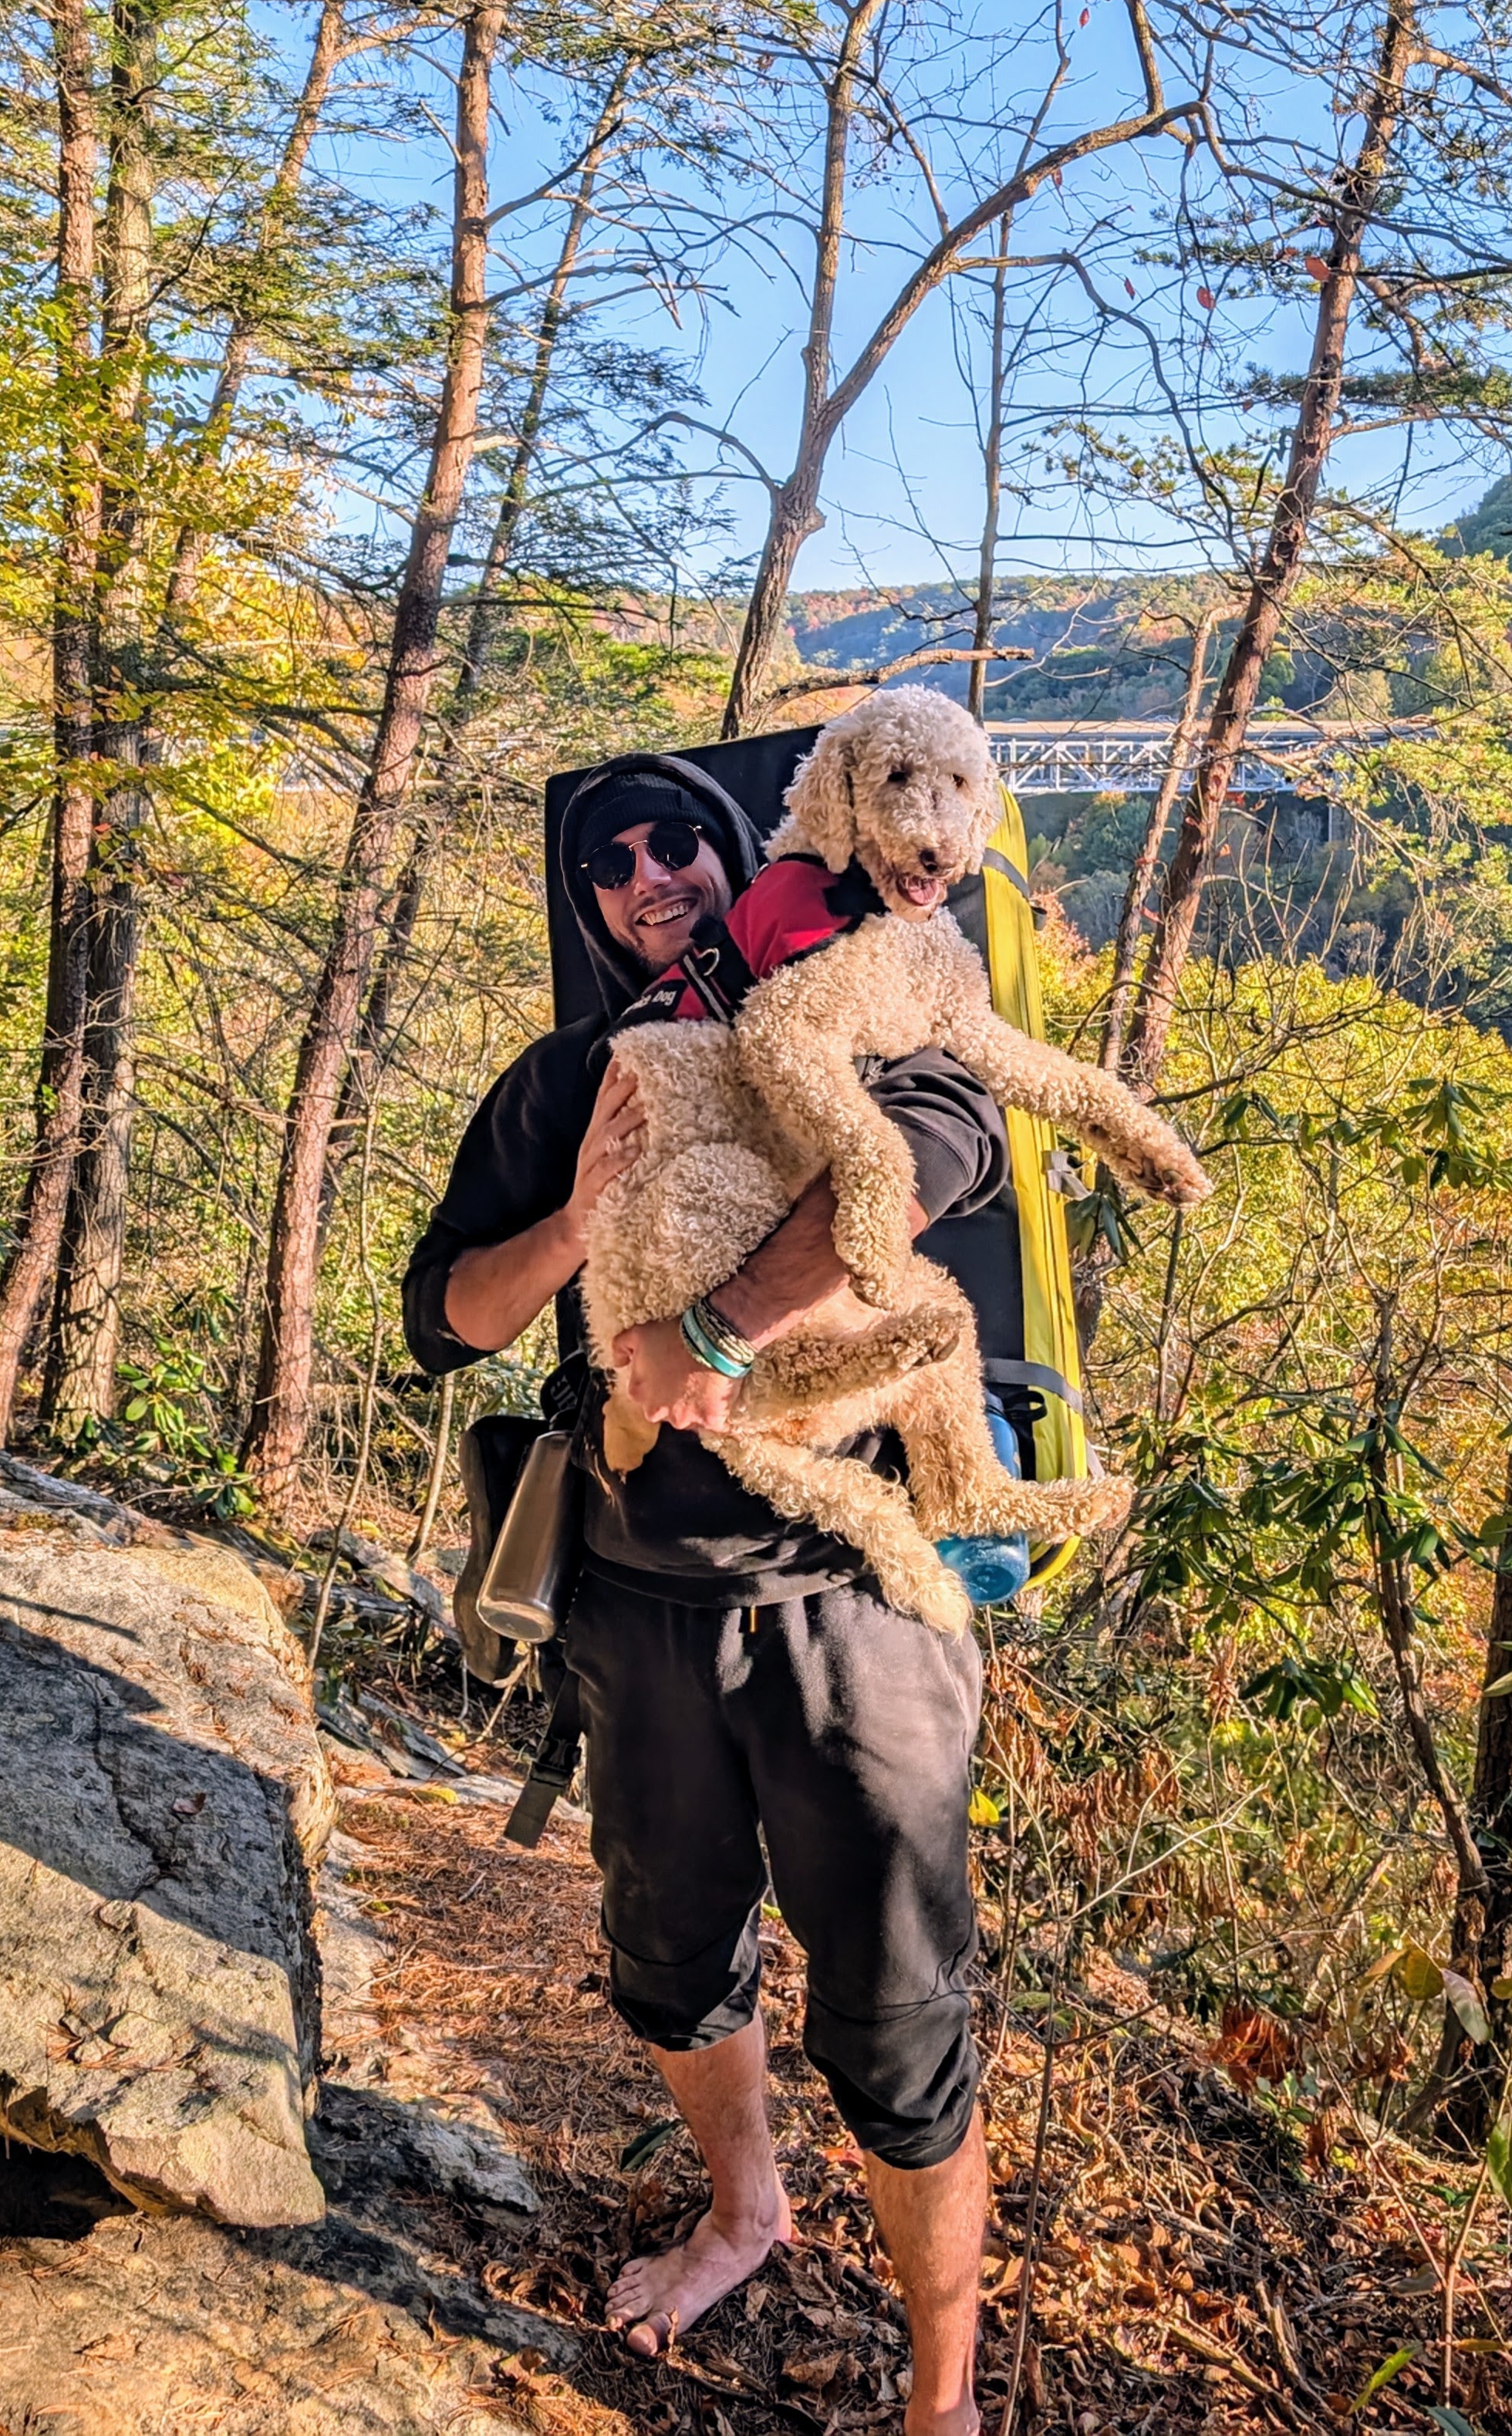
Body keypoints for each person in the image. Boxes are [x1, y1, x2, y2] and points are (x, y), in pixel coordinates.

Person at [403, 753, 1007, 2436]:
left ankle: (943, 2397)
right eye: (610, 860)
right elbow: (445, 1316)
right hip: (638, 1604)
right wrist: (574, 1224)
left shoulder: (868, 1014)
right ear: (589, 901)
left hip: (853, 1603)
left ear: (745, 855)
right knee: (669, 1958)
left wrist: (714, 1333)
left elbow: (935, 1153)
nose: (648, 872)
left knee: (897, 2017)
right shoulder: (568, 1082)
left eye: (679, 839)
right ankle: (748, 2212)